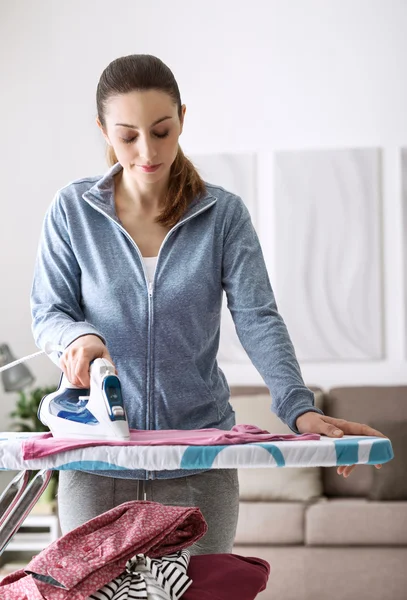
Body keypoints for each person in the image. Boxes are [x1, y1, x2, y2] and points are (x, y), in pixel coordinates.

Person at [30, 54, 384, 554]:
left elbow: (258, 318)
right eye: (128, 135)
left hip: (200, 462)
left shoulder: (223, 216)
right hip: (97, 462)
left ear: (182, 119)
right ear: (104, 131)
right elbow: (49, 313)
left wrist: (299, 409)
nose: (147, 151)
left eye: (162, 130)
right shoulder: (72, 211)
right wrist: (78, 337)